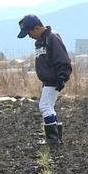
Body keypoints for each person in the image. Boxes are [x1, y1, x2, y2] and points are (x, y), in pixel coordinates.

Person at [17, 14, 72, 147]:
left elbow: (62, 58)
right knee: (49, 106)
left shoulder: (51, 38)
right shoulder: (40, 40)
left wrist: (62, 77)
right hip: (48, 80)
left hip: (54, 79)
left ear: (37, 28)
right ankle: (56, 138)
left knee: (44, 106)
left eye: (29, 32)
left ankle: (52, 139)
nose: (29, 36)